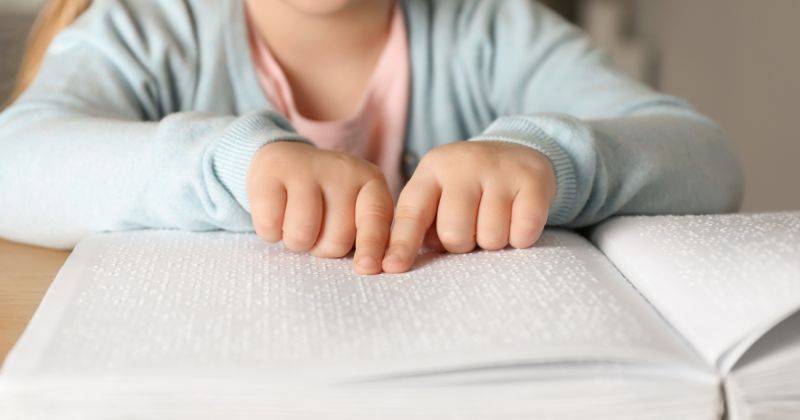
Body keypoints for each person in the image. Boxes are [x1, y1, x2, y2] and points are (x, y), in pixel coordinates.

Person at [0, 0, 743, 275]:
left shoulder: (494, 30)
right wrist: (233, 165)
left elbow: (703, 157)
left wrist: (546, 158)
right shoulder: (145, 29)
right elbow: (15, 163)